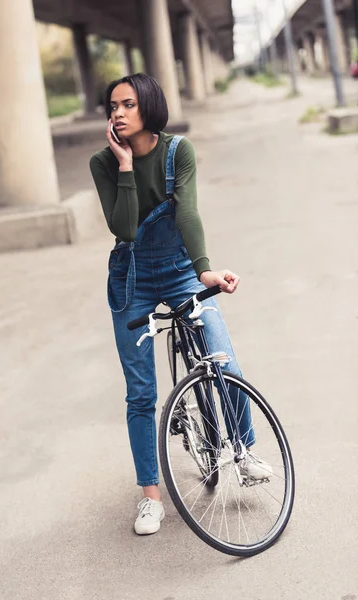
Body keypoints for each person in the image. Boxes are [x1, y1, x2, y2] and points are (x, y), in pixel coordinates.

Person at [90, 73, 272, 536]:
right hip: (131, 278)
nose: (117, 113)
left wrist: (205, 269)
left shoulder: (178, 152)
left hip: (180, 270)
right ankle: (151, 496)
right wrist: (126, 165)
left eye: (127, 104)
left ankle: (243, 451)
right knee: (141, 393)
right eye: (112, 106)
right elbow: (125, 229)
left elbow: (188, 211)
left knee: (224, 361)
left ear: (148, 106)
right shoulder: (103, 163)